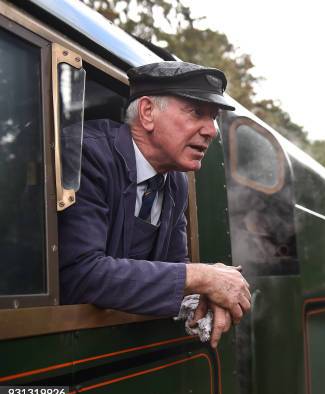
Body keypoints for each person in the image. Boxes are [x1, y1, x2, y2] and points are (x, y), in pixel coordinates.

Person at [58, 61, 251, 348]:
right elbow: (80, 275)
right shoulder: (88, 154)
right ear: (147, 113)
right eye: (197, 113)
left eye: (213, 119)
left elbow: (173, 268)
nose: (211, 130)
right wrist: (203, 275)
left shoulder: (176, 182)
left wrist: (206, 295)